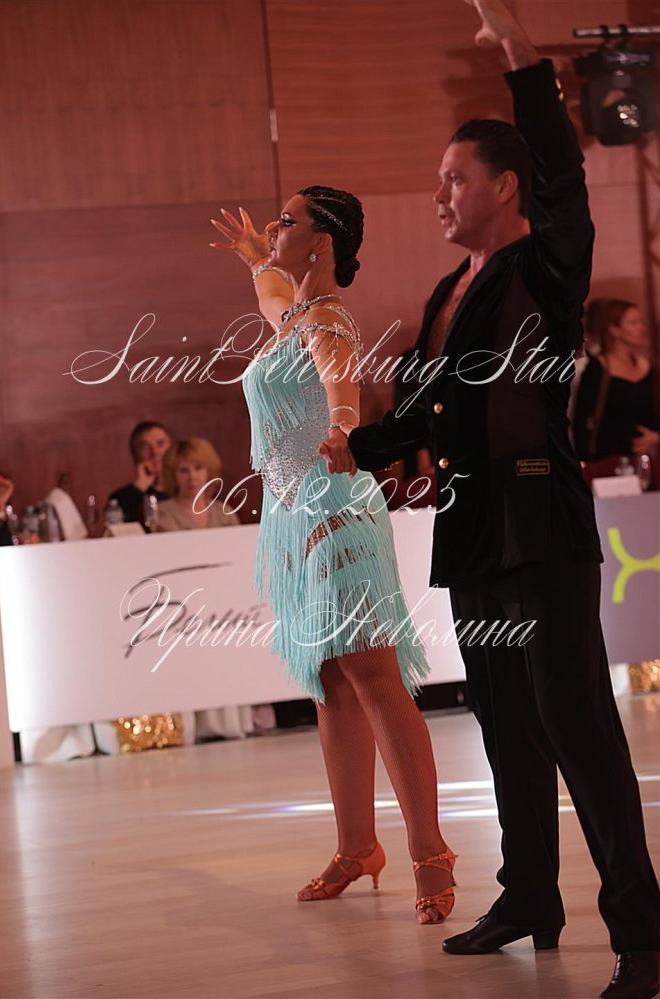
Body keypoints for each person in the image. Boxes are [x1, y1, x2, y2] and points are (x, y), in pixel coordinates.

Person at [340, 1, 660, 996]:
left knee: (577, 724)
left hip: (541, 524)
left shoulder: (546, 266)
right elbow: (430, 407)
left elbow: (564, 175)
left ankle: (644, 936)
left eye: (454, 178)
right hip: (474, 528)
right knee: (503, 719)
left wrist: (522, 59)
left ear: (505, 186)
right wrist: (355, 448)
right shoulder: (450, 290)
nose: (439, 194)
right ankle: (529, 897)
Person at [210, 187, 457, 923]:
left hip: (334, 509)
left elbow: (338, 377)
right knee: (329, 680)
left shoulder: (326, 321)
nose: (275, 227)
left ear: (322, 242)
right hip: (296, 518)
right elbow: (272, 298)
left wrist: (343, 426)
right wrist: (256, 258)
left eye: (288, 222)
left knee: (373, 675)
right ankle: (357, 846)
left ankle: (431, 851)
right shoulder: (293, 314)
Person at [157, 437, 259, 741]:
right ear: (172, 474)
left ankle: (230, 722)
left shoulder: (224, 512)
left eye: (197, 468)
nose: (191, 477)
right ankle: (193, 725)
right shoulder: (162, 513)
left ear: (209, 471)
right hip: (181, 608)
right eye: (183, 470)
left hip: (223, 606)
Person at [573, 299, 660, 468]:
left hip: (647, 462)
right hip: (608, 463)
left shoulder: (649, 368)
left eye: (641, 322)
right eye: (634, 323)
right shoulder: (597, 369)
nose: (642, 328)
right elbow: (581, 423)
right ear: (614, 329)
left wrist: (656, 438)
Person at [108, 421, 172, 524]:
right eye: (145, 447)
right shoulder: (121, 498)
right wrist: (139, 487)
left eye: (160, 444)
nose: (155, 452)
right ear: (135, 455)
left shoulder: (187, 490)